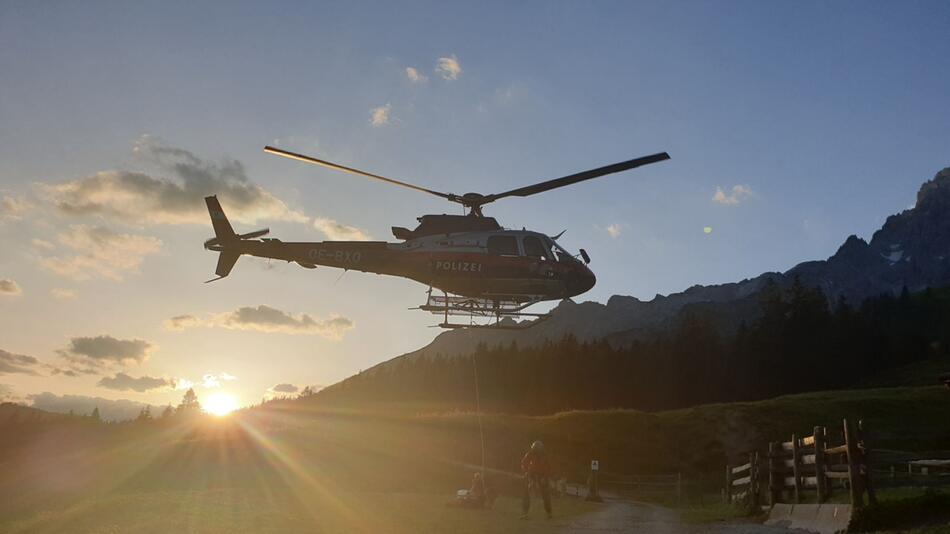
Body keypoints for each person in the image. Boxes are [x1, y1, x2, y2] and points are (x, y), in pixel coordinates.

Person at [521, 440, 552, 519]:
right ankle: (525, 512)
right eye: (536, 450)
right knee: (526, 492)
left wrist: (545, 477)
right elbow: (524, 463)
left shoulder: (545, 456)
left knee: (545, 493)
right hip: (531, 474)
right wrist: (526, 471)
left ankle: (549, 512)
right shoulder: (530, 454)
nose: (537, 452)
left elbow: (548, 468)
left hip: (542, 475)